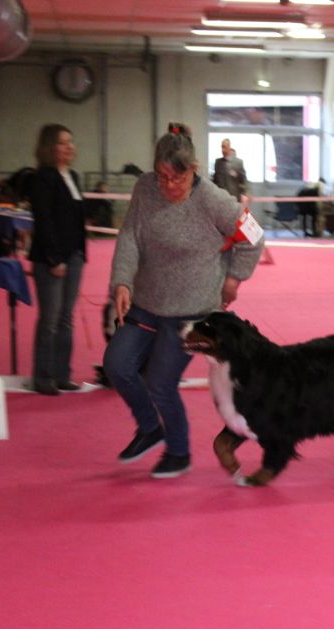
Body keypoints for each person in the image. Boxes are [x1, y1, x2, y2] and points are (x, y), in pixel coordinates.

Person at [103, 124, 264, 478]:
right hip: (147, 299)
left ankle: (178, 452)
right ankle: (149, 429)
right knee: (117, 364)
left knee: (160, 381)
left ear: (193, 169)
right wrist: (122, 282)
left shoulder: (214, 200)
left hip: (192, 311)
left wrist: (234, 278)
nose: (167, 185)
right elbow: (130, 235)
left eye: (175, 178)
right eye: (161, 176)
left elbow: (254, 236)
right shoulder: (145, 189)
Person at [29, 124, 87, 396]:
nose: (70, 147)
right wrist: (54, 258)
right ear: (49, 147)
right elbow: (44, 221)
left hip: (75, 256)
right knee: (50, 320)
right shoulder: (42, 178)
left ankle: (63, 375)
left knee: (66, 318)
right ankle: (43, 377)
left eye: (71, 142)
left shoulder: (73, 176)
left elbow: (75, 220)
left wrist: (79, 253)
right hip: (51, 258)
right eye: (63, 142)